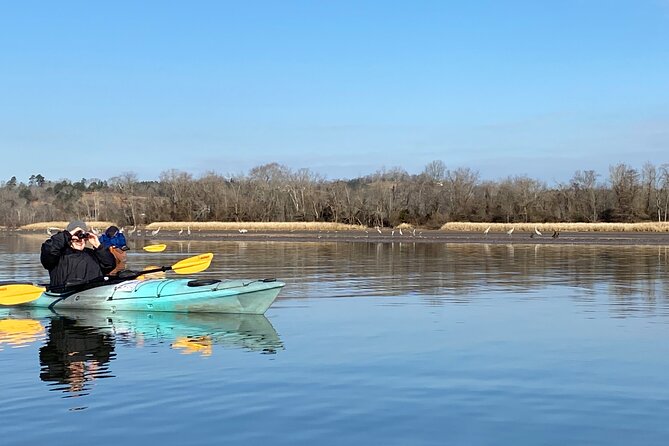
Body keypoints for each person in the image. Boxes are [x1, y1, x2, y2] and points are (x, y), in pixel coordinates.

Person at [40, 220, 116, 290]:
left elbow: (110, 265)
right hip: (65, 293)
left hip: (93, 292)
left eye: (83, 237)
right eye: (75, 238)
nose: (79, 240)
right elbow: (49, 250)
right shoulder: (57, 255)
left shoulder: (94, 254)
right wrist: (67, 235)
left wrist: (99, 246)